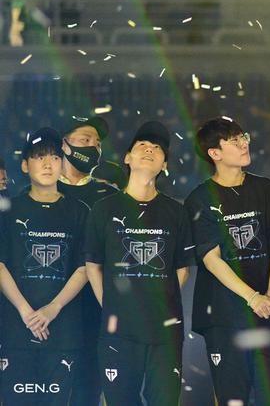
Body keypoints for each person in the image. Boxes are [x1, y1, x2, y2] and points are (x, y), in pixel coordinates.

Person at [185, 117, 270, 405]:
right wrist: (252, 297)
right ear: (214, 153)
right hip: (224, 316)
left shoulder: (267, 189)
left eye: (242, 136)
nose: (243, 143)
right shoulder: (200, 199)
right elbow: (211, 259)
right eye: (233, 140)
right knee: (233, 397)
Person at [83, 121, 195, 405]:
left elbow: (182, 268)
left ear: (164, 165)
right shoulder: (104, 209)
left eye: (157, 148)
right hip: (118, 333)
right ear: (127, 158)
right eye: (142, 145)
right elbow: (93, 264)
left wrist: (158, 302)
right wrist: (111, 304)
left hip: (165, 333)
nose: (149, 150)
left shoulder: (176, 212)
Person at [0, 127, 90, 405]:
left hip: (63, 332)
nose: (48, 164)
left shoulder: (79, 211)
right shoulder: (8, 210)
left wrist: (53, 308)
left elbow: (85, 267)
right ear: (25, 165)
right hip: (16, 330)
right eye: (40, 157)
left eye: (54, 157)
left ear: (63, 164)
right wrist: (27, 312)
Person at [59, 116, 118, 406]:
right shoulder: (36, 192)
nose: (93, 146)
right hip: (47, 311)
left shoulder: (111, 197)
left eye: (97, 143)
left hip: (95, 310)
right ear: (64, 145)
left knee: (88, 391)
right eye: (85, 140)